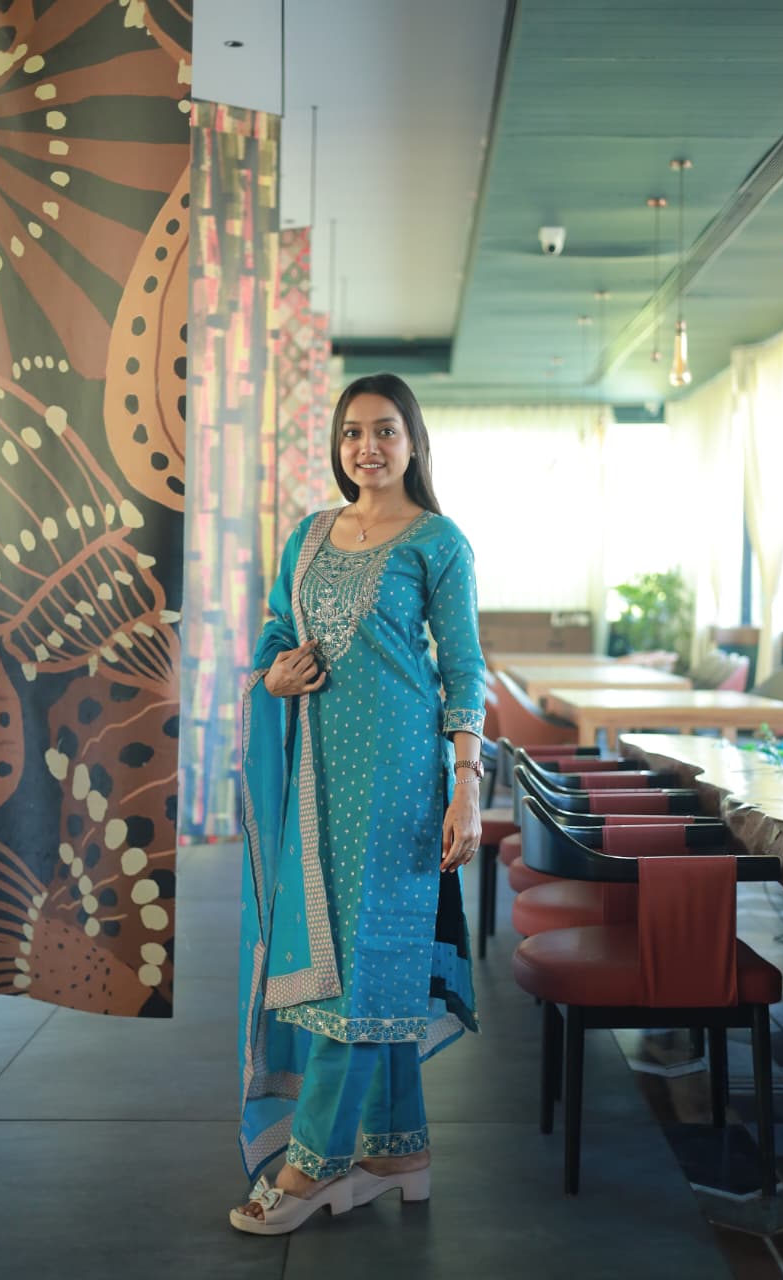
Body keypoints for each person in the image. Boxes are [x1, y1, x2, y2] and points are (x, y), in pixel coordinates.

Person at [231, 372, 485, 1235]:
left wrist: (466, 785)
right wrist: (272, 675)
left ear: (412, 442)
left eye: (383, 430)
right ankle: (397, 1149)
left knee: (366, 963)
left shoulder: (438, 542)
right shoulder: (307, 535)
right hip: (315, 779)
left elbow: (463, 669)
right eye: (351, 432)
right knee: (350, 960)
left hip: (399, 781)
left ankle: (311, 1164)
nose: (366, 447)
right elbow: (276, 631)